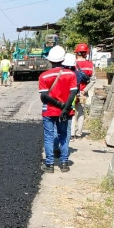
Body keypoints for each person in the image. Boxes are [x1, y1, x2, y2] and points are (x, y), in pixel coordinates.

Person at [39, 45, 78, 173]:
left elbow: (44, 96)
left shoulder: (44, 76)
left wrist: (58, 105)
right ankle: (64, 163)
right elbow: (73, 93)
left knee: (49, 137)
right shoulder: (71, 74)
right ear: (63, 60)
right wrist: (65, 108)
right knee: (64, 136)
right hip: (65, 111)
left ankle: (49, 164)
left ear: (50, 60)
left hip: (49, 110)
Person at [72, 43, 95, 139]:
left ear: (77, 53)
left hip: (72, 93)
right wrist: (84, 90)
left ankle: (72, 134)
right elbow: (93, 80)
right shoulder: (90, 65)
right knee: (81, 113)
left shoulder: (72, 64)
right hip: (83, 94)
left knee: (72, 113)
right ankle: (79, 133)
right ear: (86, 53)